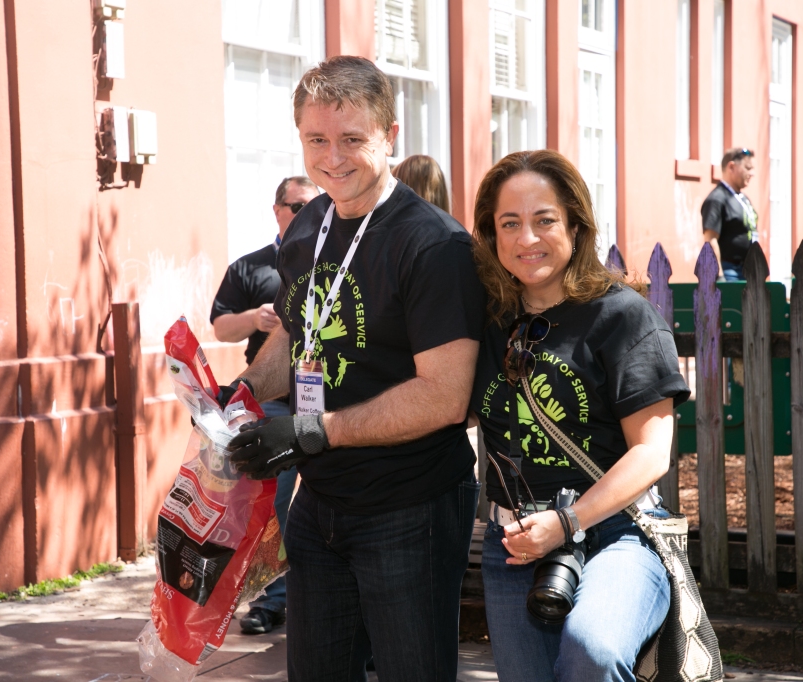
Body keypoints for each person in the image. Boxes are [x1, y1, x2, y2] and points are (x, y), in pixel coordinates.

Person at [223, 56, 486, 682]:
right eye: (317, 140)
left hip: (411, 504)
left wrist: (314, 430)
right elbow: (296, 327)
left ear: (390, 135)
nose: (332, 158)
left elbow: (445, 397)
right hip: (320, 502)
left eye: (352, 139)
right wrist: (244, 392)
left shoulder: (435, 247)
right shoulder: (310, 223)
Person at [468, 150, 690, 682]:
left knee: (592, 651)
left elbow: (652, 451)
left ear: (575, 224)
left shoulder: (623, 317)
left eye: (544, 220)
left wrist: (568, 522)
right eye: (510, 223)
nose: (527, 239)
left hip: (615, 534)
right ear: (491, 234)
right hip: (514, 544)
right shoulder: (485, 320)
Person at [210, 176, 318, 634]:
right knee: (271, 503)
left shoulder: (334, 257)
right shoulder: (252, 267)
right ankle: (273, 599)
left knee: (332, 501)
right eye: (297, 206)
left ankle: (321, 596)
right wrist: (255, 318)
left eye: (315, 206)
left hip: (333, 402)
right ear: (277, 210)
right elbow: (220, 328)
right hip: (273, 403)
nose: (306, 214)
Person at [702, 147, 758, 281]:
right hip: (730, 271)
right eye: (748, 168)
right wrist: (719, 275)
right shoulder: (717, 199)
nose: (752, 173)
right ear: (731, 167)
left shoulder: (743, 198)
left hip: (748, 269)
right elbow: (710, 239)